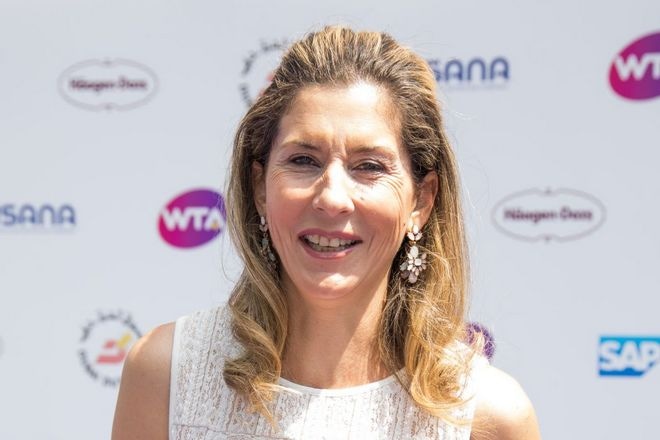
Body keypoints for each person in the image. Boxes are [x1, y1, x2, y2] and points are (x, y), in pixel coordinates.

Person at [112, 26, 541, 440]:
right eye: (303, 160)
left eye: (369, 166)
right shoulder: (167, 377)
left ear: (421, 201)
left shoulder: (488, 416)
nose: (332, 198)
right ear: (260, 188)